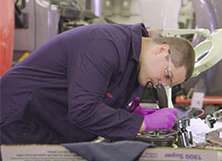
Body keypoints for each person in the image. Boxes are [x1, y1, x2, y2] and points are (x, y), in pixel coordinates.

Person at [0, 23, 195, 144]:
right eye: (167, 75)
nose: (161, 83)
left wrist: (128, 113)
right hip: (15, 119)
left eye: (169, 84)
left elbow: (97, 98)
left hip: (43, 126)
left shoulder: (135, 64)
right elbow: (83, 110)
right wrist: (143, 123)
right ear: (161, 50)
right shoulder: (105, 44)